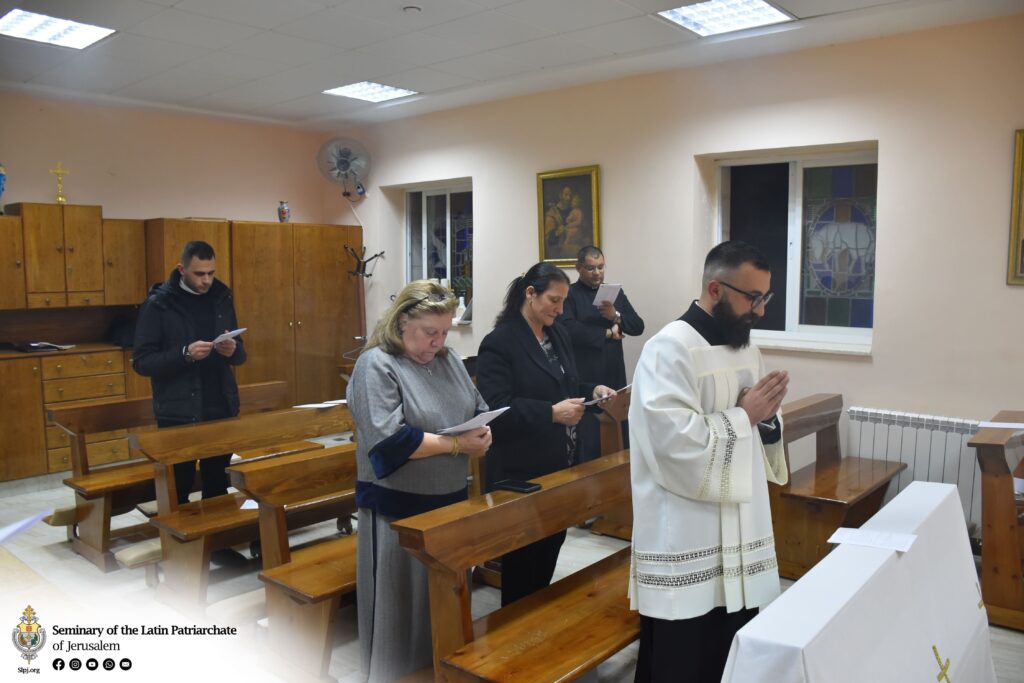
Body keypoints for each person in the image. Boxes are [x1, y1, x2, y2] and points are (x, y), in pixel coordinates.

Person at [628, 240, 790, 683]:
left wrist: (768, 419)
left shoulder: (745, 348)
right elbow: (672, 445)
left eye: (765, 297)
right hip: (686, 532)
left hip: (739, 527)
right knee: (682, 658)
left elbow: (755, 425)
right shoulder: (669, 349)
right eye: (753, 298)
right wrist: (745, 417)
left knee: (729, 647)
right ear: (715, 289)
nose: (760, 310)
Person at [347, 280, 492, 682]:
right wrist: (457, 445)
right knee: (399, 613)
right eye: (430, 332)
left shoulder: (448, 360)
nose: (439, 342)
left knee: (442, 606)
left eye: (445, 332)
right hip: (397, 510)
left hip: (449, 502)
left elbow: (477, 407)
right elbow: (389, 441)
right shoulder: (377, 364)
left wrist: (482, 432)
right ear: (402, 322)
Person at [476, 262, 615, 606]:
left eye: (564, 301)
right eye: (554, 300)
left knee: (550, 548)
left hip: (559, 463)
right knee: (523, 562)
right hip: (520, 469)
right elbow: (495, 407)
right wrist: (551, 413)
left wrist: (592, 390)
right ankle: (515, 626)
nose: (560, 309)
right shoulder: (500, 342)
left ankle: (537, 620)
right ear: (530, 294)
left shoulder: (557, 334)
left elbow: (565, 385)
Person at [133, 240, 246, 505]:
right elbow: (142, 362)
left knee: (217, 485)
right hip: (178, 412)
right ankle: (178, 532)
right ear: (181, 269)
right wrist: (184, 354)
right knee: (178, 487)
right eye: (199, 274)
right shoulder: (159, 303)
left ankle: (216, 530)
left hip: (220, 406)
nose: (206, 280)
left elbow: (241, 355)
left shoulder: (221, 297)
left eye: (211, 273)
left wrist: (233, 350)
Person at [559, 245, 645, 461]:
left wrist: (615, 315)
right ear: (578, 268)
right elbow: (568, 329)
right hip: (586, 373)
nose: (597, 273)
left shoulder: (614, 293)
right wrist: (607, 333)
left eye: (601, 267)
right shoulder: (570, 294)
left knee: (618, 433)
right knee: (589, 439)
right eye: (590, 268)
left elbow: (637, 326)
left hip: (613, 371)